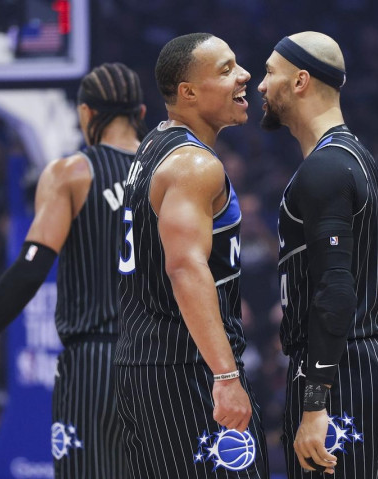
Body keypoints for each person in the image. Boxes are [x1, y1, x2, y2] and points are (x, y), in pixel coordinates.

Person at [0, 62, 148, 479]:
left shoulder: (72, 173)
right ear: (142, 113)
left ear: (85, 114)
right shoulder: (177, 171)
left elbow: (29, 271)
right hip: (162, 362)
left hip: (94, 362)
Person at [114, 32, 268, 478]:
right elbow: (184, 269)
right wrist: (225, 375)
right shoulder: (195, 166)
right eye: (226, 70)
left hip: (144, 365)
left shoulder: (152, 147)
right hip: (186, 369)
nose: (244, 76)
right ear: (188, 92)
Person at [257, 31, 378, 478]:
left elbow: (337, 290)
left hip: (342, 373)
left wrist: (315, 399)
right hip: (367, 361)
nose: (261, 85)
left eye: (269, 72)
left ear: (300, 81)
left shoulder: (325, 167)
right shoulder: (354, 156)